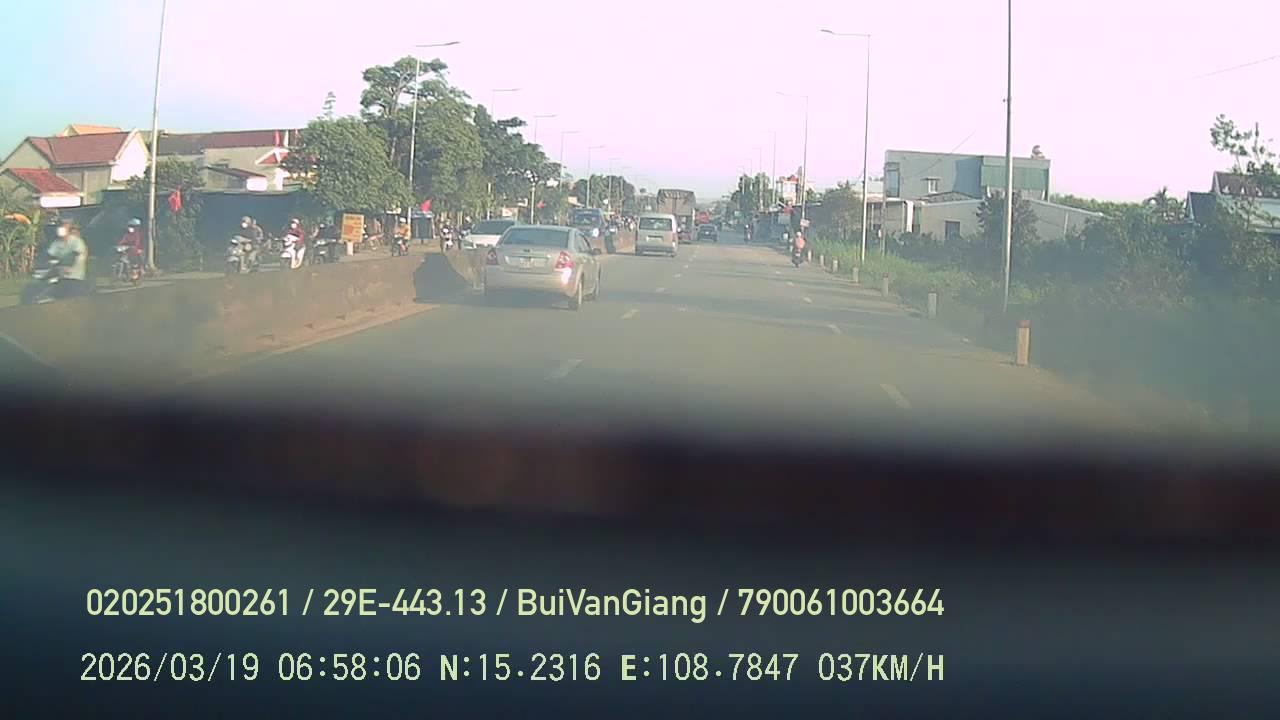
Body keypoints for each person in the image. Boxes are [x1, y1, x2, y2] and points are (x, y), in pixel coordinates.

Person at [47, 220, 90, 298]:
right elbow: (51, 255)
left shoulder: (77, 241)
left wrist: (69, 267)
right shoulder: (57, 243)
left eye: (64, 228)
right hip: (61, 277)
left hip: (75, 277)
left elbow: (77, 255)